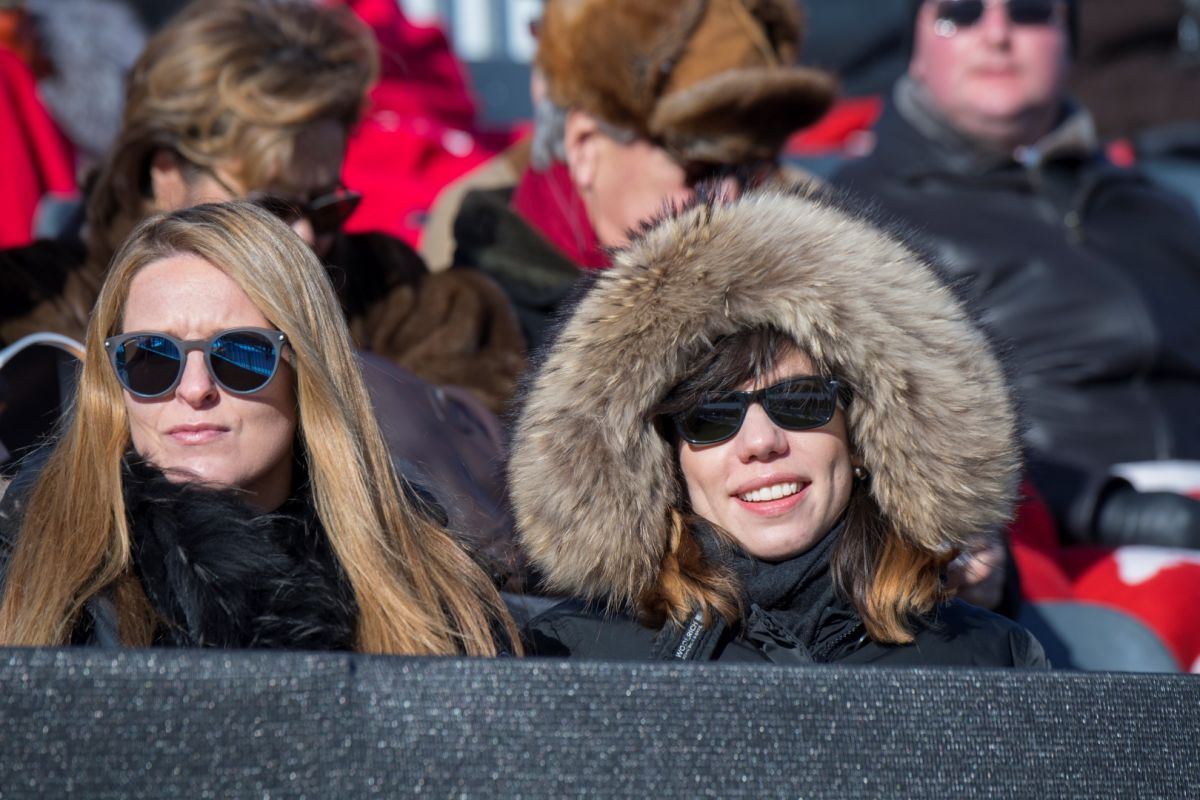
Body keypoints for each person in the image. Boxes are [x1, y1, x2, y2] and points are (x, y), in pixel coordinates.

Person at [510, 189, 1046, 667]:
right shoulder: (575, 659)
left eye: (801, 403)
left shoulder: (988, 660)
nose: (762, 443)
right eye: (710, 418)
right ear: (668, 462)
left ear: (863, 437)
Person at [0, 201, 518, 654]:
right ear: (113, 382)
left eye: (240, 354)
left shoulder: (434, 593)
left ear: (307, 372)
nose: (194, 388)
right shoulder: (28, 571)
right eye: (152, 358)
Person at [0, 0, 523, 414]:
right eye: (269, 208)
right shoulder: (45, 321)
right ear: (164, 176)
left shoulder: (400, 300)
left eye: (325, 208)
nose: (305, 239)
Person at [832, 0, 1200, 549]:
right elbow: (870, 436)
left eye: (1030, 12)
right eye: (961, 13)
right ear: (915, 49)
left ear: (1070, 42)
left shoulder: (1156, 206)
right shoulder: (854, 218)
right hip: (1032, 549)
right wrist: (1099, 508)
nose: (998, 33)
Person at [444, 0, 836, 351]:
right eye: (699, 172)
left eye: (752, 169)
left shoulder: (819, 249)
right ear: (585, 147)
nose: (729, 197)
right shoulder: (468, 334)